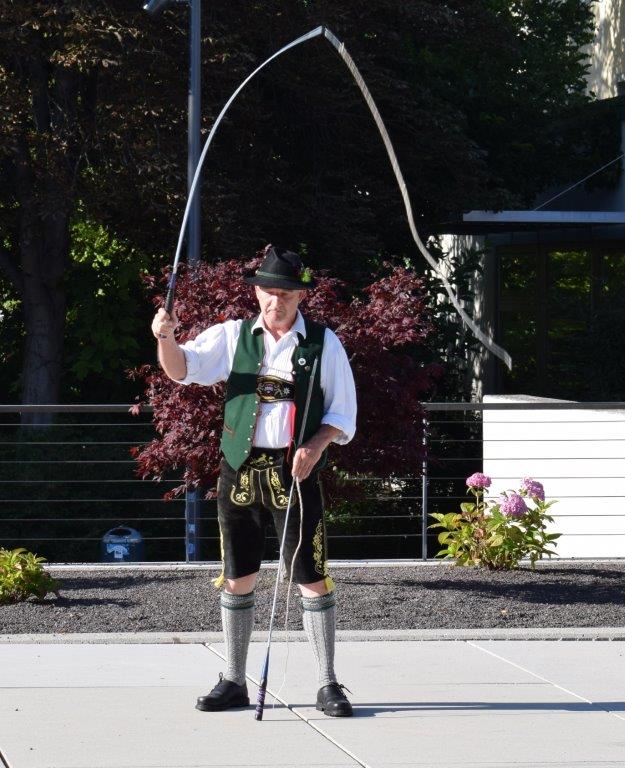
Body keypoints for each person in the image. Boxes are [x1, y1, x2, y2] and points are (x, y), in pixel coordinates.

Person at [151, 245, 357, 716]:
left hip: (295, 472)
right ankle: (233, 680)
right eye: (268, 292)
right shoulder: (232, 336)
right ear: (257, 293)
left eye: (284, 293)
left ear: (300, 296)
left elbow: (343, 412)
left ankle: (327, 684)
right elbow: (182, 370)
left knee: (312, 577)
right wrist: (166, 337)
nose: (275, 301)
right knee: (236, 576)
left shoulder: (323, 344)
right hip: (239, 470)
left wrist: (316, 444)